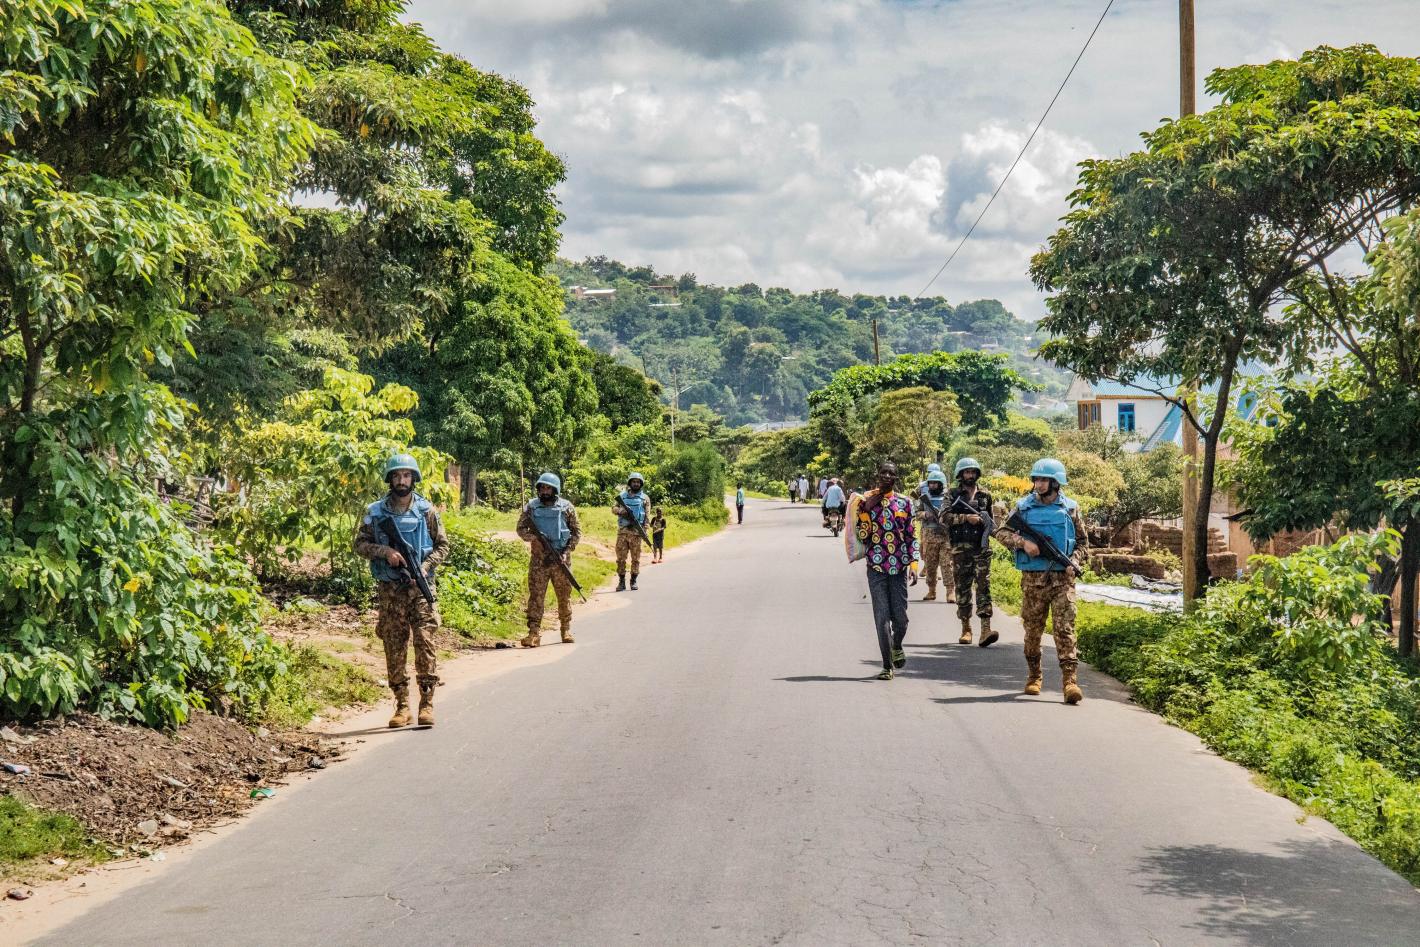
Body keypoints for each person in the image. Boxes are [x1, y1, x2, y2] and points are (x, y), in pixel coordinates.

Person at [354, 453, 449, 728]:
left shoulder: (427, 511)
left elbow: (443, 546)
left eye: (406, 475)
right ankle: (402, 705)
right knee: (394, 645)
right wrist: (385, 552)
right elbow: (359, 544)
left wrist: (425, 567)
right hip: (391, 590)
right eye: (396, 476)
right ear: (390, 479)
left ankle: (426, 703)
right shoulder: (376, 512)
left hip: (421, 588)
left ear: (413, 479)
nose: (401, 481)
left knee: (425, 642)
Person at [994, 458, 1089, 704]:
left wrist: (1074, 561)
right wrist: (1022, 543)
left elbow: (1082, 543)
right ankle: (1034, 676)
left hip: (1062, 581)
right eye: (1036, 479)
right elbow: (1001, 532)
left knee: (1065, 630)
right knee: (1032, 631)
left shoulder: (1070, 508)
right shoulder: (1023, 507)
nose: (1039, 484)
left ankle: (1070, 682)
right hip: (1033, 581)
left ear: (1056, 482)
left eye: (1044, 480)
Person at [855, 461, 919, 680]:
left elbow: (911, 536)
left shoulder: (905, 503)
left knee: (901, 620)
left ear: (895, 478)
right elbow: (862, 535)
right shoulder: (866, 502)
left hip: (899, 567)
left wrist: (914, 564)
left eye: (891, 473)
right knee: (882, 618)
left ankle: (897, 645)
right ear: (878, 475)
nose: (886, 476)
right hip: (876, 567)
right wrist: (864, 514)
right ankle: (886, 666)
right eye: (883, 472)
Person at [515, 472, 581, 647]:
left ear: (555, 490)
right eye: (542, 488)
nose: (544, 491)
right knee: (536, 597)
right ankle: (533, 633)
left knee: (564, 596)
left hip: (561, 560)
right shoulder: (531, 507)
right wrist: (533, 539)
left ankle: (565, 629)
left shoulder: (566, 507)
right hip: (539, 561)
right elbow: (520, 528)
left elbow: (576, 532)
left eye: (548, 488)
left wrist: (567, 551)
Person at [946, 457, 995, 646]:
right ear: (961, 474)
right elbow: (943, 517)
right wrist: (966, 518)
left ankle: (985, 629)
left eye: (973, 472)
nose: (970, 475)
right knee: (963, 588)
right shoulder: (952, 494)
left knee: (984, 587)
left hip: (981, 548)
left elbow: (991, 521)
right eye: (967, 472)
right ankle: (966, 628)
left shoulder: (985, 495)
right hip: (960, 550)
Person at [914, 470, 955, 605]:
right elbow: (916, 513)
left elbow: (954, 513)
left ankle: (950, 591)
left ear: (941, 484)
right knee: (930, 565)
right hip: (929, 535)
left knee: (946, 564)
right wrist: (925, 514)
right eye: (930, 483)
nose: (932, 485)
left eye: (935, 483)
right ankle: (932, 590)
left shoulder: (949, 498)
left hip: (946, 535)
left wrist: (945, 517)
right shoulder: (924, 497)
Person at [613, 472, 651, 591]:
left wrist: (645, 531)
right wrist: (621, 511)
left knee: (636, 559)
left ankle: (633, 580)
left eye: (638, 482)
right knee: (620, 559)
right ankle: (621, 581)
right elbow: (613, 508)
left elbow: (647, 516)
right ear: (630, 483)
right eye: (634, 481)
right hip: (623, 532)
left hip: (636, 533)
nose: (636, 484)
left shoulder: (645, 498)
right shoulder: (622, 496)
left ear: (641, 484)